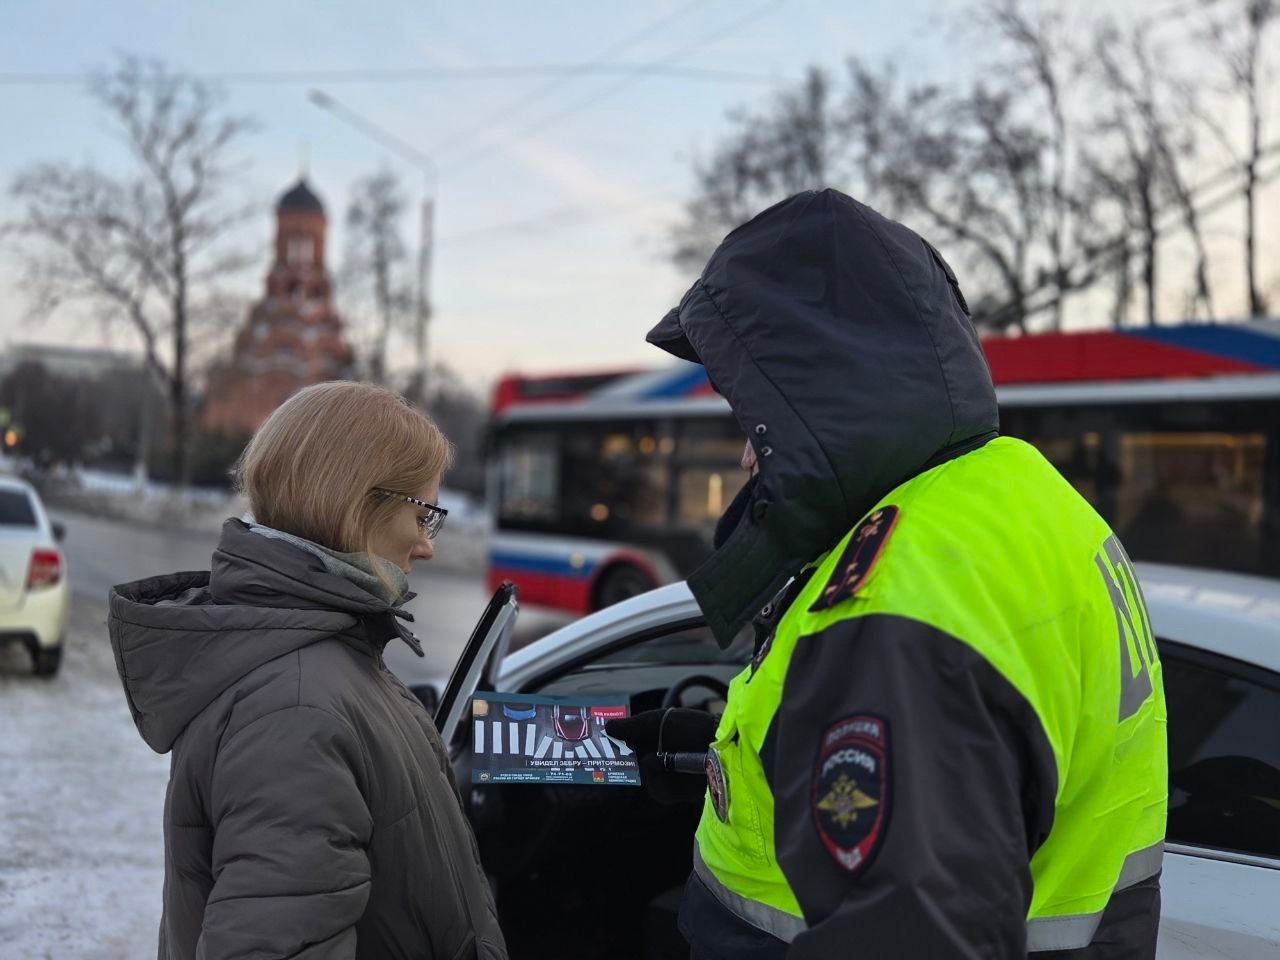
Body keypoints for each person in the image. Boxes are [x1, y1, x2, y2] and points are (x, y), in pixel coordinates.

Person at [607, 189, 1167, 958]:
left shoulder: (894, 606)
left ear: (817, 400)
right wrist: (724, 757)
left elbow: (907, 911)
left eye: (754, 419)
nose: (745, 455)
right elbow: (974, 771)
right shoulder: (1025, 502)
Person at [109, 381, 507, 960]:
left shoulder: (328, 648)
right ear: (356, 505)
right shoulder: (294, 709)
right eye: (424, 515)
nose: (427, 546)